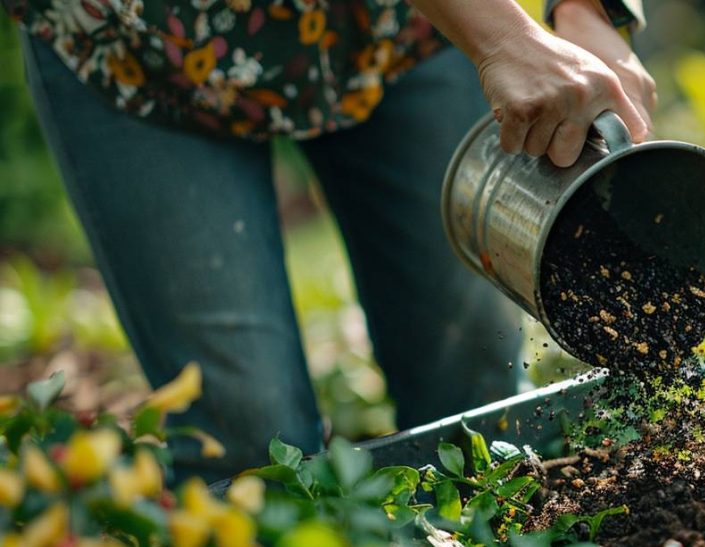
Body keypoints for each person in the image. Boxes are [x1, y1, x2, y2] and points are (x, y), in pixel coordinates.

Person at [4, 0, 657, 481]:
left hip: (393, 29)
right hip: (147, 46)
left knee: (473, 388)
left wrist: (590, 10)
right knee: (252, 443)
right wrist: (504, 35)